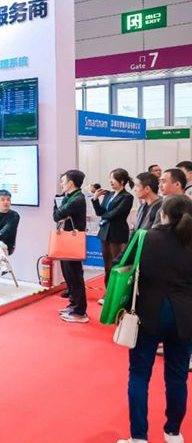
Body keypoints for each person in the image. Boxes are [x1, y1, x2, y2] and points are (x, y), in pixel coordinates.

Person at [115, 195, 192, 443]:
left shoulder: (144, 238)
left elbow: (119, 265)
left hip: (147, 315)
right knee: (178, 376)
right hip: (185, 317)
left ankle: (139, 437)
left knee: (139, 374)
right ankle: (173, 432)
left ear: (163, 214)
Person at [54, 169, 89, 324]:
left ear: (70, 183)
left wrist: (57, 206)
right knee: (68, 275)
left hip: (73, 241)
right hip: (67, 240)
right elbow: (59, 214)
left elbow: (57, 216)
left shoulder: (77, 199)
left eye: (63, 181)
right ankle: (74, 304)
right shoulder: (70, 197)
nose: (61, 184)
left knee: (75, 276)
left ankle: (80, 311)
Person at [92, 168, 135, 291]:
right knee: (107, 265)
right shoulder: (109, 194)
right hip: (104, 232)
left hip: (117, 233)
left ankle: (117, 291)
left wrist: (104, 216)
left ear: (122, 181)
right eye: (110, 179)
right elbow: (99, 212)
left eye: (113, 179)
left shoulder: (127, 197)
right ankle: (108, 291)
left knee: (116, 264)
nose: (110, 181)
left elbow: (115, 214)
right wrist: (95, 199)